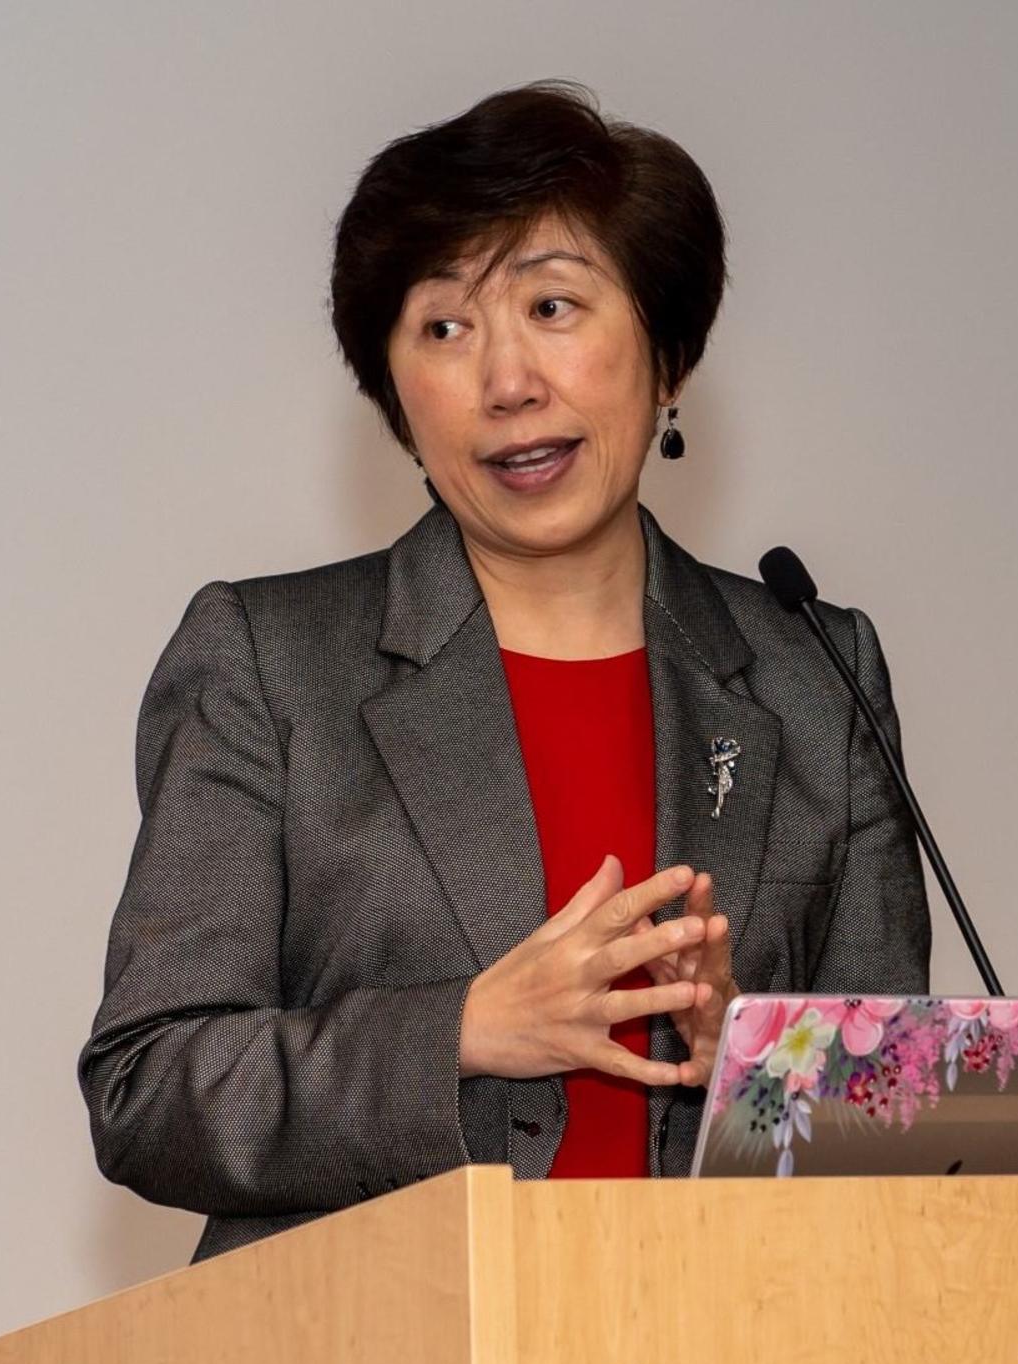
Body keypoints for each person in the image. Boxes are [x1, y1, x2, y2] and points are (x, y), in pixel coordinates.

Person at [78, 80, 929, 1262]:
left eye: (552, 305)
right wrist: (462, 1031)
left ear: (668, 356)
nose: (508, 380)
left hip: (724, 1356)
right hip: (376, 1359)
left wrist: (746, 1051)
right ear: (394, 395)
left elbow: (903, 1146)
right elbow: (151, 1085)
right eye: (445, 328)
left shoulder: (812, 676)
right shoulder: (270, 665)